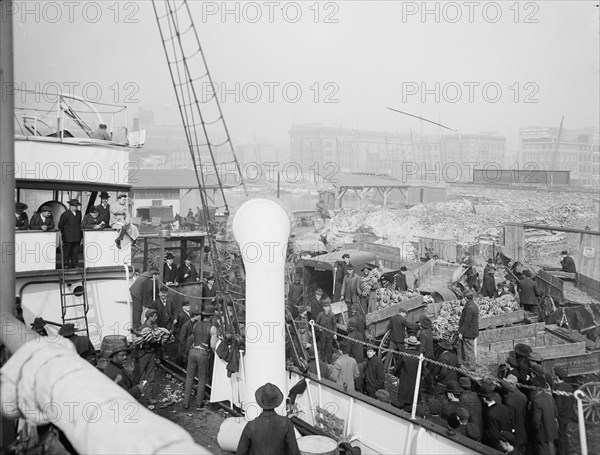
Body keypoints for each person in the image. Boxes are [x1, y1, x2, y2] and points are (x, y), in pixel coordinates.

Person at [236, 382, 300, 455]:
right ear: (276, 402)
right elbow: (294, 452)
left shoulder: (251, 426)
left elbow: (240, 452)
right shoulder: (286, 423)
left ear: (260, 402)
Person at [183, 305, 218, 409]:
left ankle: (186, 402)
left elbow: (192, 338)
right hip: (202, 353)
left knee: (189, 378)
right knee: (202, 379)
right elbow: (212, 345)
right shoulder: (213, 328)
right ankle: (199, 403)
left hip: (192, 351)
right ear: (211, 316)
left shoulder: (196, 324)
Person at [132, 309, 162, 405]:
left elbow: (159, 340)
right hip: (142, 355)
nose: (156, 318)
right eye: (155, 316)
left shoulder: (156, 327)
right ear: (150, 317)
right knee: (136, 377)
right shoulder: (142, 328)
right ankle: (131, 396)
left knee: (151, 378)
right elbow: (137, 342)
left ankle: (149, 397)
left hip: (151, 355)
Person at [530, 375, 558, 455]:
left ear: (536, 387)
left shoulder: (537, 401)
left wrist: (537, 430)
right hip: (553, 431)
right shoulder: (550, 397)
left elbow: (536, 421)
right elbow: (556, 413)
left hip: (543, 434)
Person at [480, 383, 513, 451]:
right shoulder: (504, 408)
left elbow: (492, 434)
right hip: (507, 442)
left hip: (497, 446)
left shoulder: (490, 413)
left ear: (484, 399)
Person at [393, 336, 421, 412]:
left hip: (405, 379)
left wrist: (395, 374)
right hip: (415, 379)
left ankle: (406, 410)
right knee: (413, 396)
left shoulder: (404, 354)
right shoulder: (420, 356)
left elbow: (398, 367)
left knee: (405, 396)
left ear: (408, 344)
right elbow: (423, 370)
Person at [502, 374, 528, 455]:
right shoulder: (523, 396)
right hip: (523, 429)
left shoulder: (509, 401)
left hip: (515, 432)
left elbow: (510, 419)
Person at [553, 367, 575, 455]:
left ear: (557, 377)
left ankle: (561, 452)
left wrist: (555, 417)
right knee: (564, 434)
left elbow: (558, 406)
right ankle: (567, 452)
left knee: (560, 436)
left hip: (561, 417)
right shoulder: (569, 386)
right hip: (568, 414)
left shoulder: (559, 389)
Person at [58, 199, 83, 268]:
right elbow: (60, 225)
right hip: (68, 236)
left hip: (77, 236)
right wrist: (66, 232)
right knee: (67, 252)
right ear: (70, 206)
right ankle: (66, 264)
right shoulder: (65, 214)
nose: (76, 207)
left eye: (76, 206)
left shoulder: (79, 213)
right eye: (74, 206)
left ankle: (75, 264)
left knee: (75, 252)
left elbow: (79, 223)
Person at [458, 291, 479, 371]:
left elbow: (467, 322)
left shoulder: (469, 308)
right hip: (472, 330)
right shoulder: (474, 305)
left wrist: (461, 332)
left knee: (469, 350)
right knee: (469, 349)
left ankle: (471, 366)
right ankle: (469, 364)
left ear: (466, 298)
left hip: (469, 332)